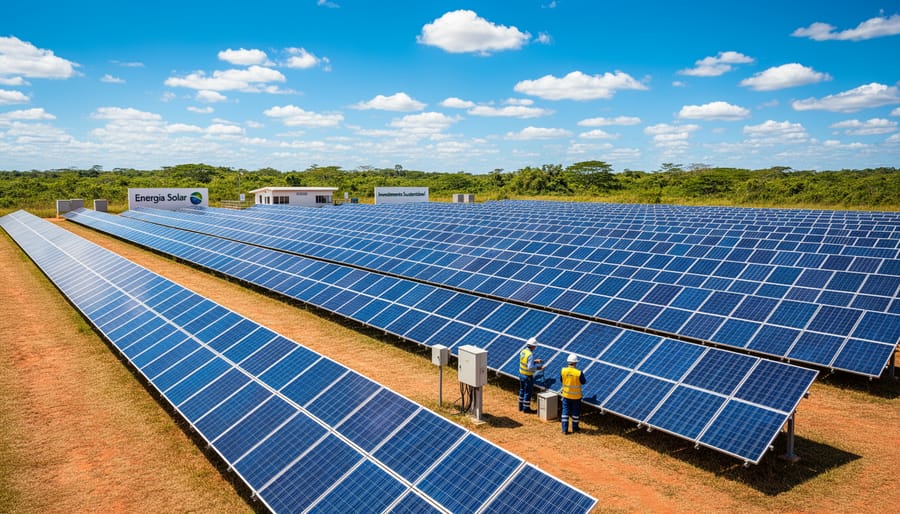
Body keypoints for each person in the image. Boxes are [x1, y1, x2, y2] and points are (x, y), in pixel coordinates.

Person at [560, 353, 586, 434]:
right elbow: (583, 381)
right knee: (575, 413)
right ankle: (575, 428)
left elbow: (561, 380)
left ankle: (564, 430)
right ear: (575, 363)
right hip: (576, 397)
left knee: (565, 412)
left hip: (566, 395)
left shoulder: (563, 370)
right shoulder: (578, 372)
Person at [518, 337, 543, 413]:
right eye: (535, 346)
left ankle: (520, 407)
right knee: (527, 392)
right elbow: (530, 367)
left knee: (522, 390)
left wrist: (535, 361)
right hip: (527, 376)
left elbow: (525, 362)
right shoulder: (530, 355)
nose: (535, 347)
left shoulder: (523, 351)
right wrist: (539, 368)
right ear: (532, 346)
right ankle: (526, 409)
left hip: (521, 374)